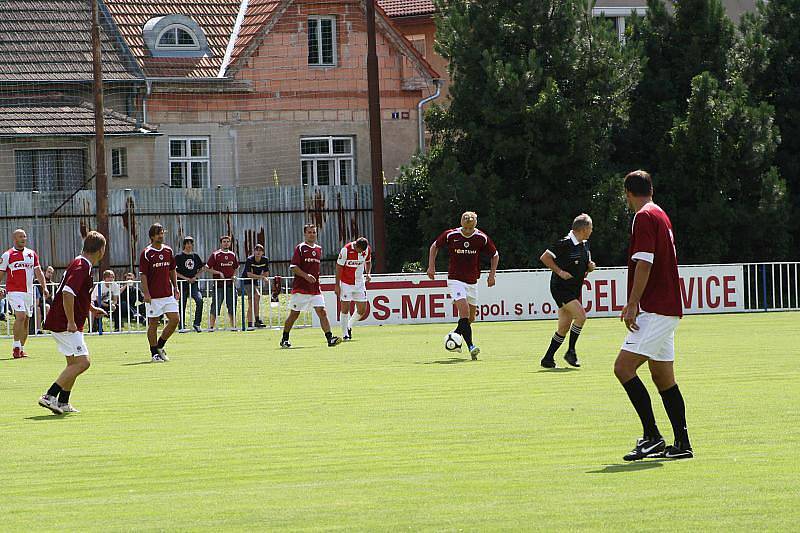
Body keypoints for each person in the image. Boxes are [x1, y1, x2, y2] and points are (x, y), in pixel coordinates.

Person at [613, 170, 692, 461]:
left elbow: (644, 262)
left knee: (623, 368)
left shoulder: (644, 216)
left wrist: (633, 303)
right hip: (666, 306)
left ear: (627, 193)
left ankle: (652, 437)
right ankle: (682, 443)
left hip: (655, 307)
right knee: (662, 376)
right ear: (651, 189)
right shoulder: (660, 213)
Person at [38, 231, 107, 415]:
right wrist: (70, 321)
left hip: (64, 320)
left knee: (72, 364)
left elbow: (76, 294)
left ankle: (63, 402)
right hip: (65, 322)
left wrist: (91, 309)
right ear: (101, 250)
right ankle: (49, 396)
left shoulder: (81, 263)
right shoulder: (82, 265)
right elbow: (68, 292)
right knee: (83, 363)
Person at [427, 212, 499, 360]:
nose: (467, 231)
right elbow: (434, 246)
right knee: (464, 313)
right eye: (465, 228)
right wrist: (431, 266)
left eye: (469, 229)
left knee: (471, 318)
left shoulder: (481, 237)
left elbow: (495, 255)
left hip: (472, 282)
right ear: (461, 222)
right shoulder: (451, 235)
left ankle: (454, 337)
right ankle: (471, 347)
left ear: (475, 224)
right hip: (455, 280)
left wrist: (492, 275)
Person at [539, 214, 596, 368]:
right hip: (561, 288)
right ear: (584, 229)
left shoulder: (585, 244)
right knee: (581, 316)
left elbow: (584, 265)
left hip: (573, 288)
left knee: (564, 326)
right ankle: (571, 351)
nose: (592, 230)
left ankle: (548, 359)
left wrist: (590, 267)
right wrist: (560, 272)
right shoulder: (564, 243)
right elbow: (544, 257)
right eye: (590, 227)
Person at [280, 224, 341, 348]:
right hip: (301, 288)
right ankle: (284, 339)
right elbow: (293, 267)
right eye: (309, 232)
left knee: (322, 312)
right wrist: (306, 276)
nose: (312, 234)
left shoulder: (318, 249)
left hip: (315, 289)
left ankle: (330, 338)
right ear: (305, 234)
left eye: (314, 232)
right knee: (294, 314)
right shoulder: (301, 248)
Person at [0, 229, 49, 359]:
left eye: (25, 236)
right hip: (14, 291)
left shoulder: (31, 254)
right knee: (20, 316)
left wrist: (44, 287)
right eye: (21, 236)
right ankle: (16, 347)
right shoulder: (7, 255)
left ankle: (21, 348)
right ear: (14, 239)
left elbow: (39, 272)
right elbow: (1, 273)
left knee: (27, 320)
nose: (24, 238)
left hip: (29, 291)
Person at [140, 223, 180, 363]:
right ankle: (154, 353)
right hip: (154, 296)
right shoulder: (146, 253)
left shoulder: (168, 251)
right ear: (152, 236)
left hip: (168, 294)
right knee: (153, 324)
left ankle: (160, 346)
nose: (161, 236)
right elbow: (143, 275)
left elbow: (172, 270)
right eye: (158, 233)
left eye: (162, 233)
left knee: (175, 319)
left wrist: (175, 287)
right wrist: (146, 293)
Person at [335, 237, 371, 340]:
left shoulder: (366, 250)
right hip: (346, 282)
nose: (362, 252)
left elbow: (368, 261)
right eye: (360, 250)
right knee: (345, 308)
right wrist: (337, 285)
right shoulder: (346, 250)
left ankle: (349, 326)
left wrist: (368, 273)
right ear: (356, 246)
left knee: (362, 309)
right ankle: (345, 334)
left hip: (359, 282)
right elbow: (338, 267)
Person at [206, 236, 239, 330]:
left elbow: (236, 267)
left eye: (228, 241)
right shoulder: (216, 254)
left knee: (232, 306)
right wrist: (218, 273)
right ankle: (211, 327)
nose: (226, 243)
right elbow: (206, 268)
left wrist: (234, 275)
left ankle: (233, 327)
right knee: (215, 306)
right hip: (219, 286)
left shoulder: (232, 255)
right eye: (224, 241)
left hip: (230, 285)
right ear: (221, 243)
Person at [175, 236, 206, 333]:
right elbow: (173, 271)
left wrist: (195, 277)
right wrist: (186, 279)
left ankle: (197, 324)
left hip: (194, 284)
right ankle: (181, 325)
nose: (189, 245)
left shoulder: (195, 256)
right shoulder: (178, 257)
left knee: (199, 300)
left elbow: (202, 268)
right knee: (182, 304)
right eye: (187, 243)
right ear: (184, 244)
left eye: (191, 243)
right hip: (182, 284)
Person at [241, 244, 270, 329]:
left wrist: (260, 276)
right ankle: (253, 322)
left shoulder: (265, 260)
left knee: (254, 301)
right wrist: (261, 277)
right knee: (255, 298)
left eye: (260, 250)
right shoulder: (250, 259)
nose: (258, 252)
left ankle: (254, 322)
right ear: (254, 251)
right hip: (246, 281)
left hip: (254, 281)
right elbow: (249, 274)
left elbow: (266, 273)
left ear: (263, 252)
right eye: (256, 250)